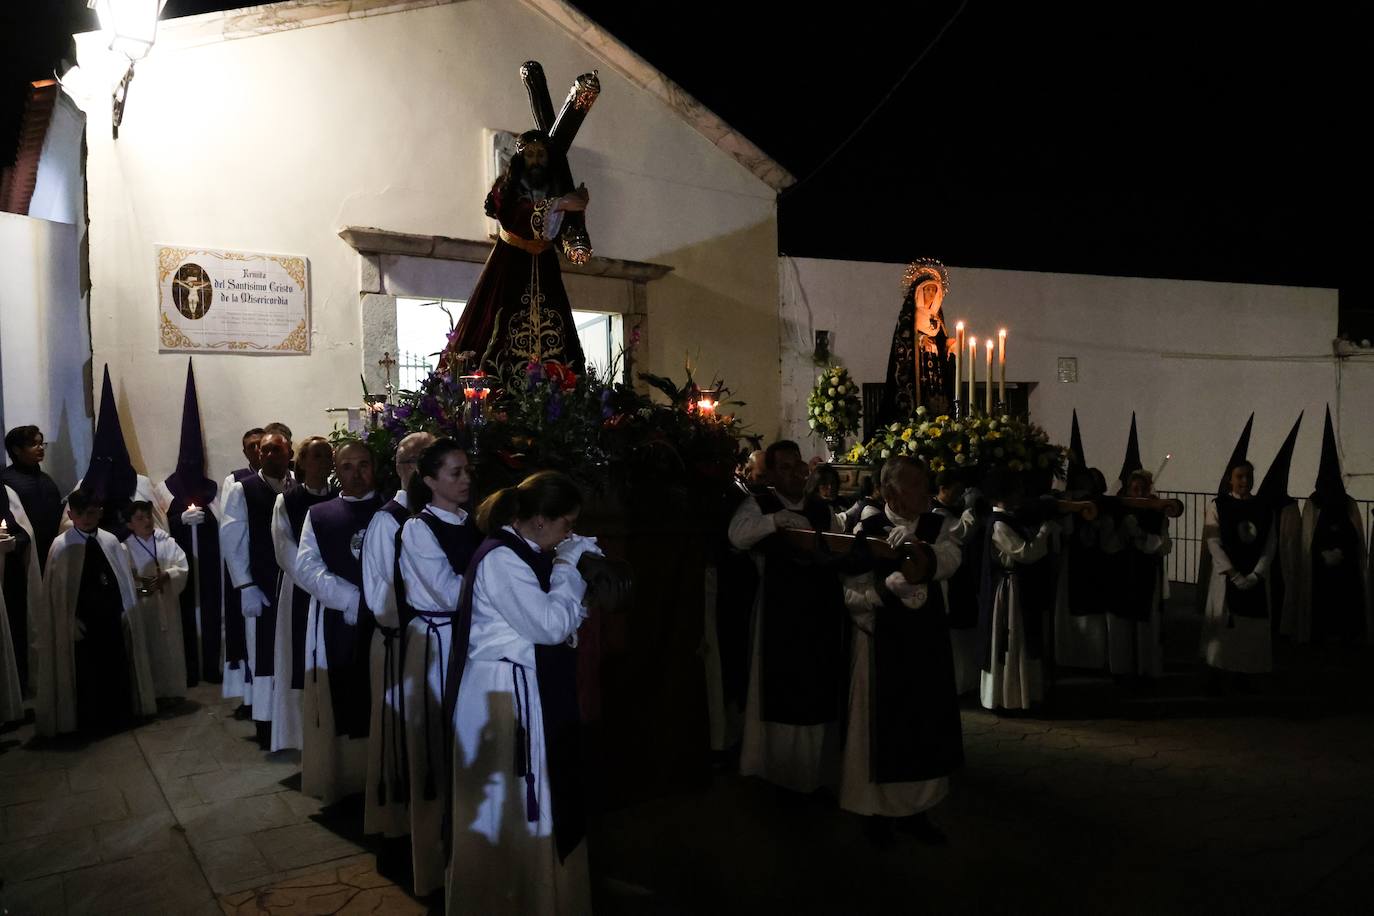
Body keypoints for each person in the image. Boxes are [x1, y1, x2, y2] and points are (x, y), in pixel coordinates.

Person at [445, 470, 597, 915]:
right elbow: (549, 626)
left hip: (522, 687)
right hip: (502, 695)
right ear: (540, 521)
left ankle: (537, 894)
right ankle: (505, 898)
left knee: (531, 801)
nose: (571, 533)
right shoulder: (502, 559)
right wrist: (569, 568)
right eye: (568, 524)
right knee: (509, 806)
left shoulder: (527, 550)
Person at [840, 456, 962, 845]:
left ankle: (918, 811)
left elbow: (951, 559)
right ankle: (874, 813)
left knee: (924, 724)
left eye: (927, 483)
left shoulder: (936, 524)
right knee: (878, 728)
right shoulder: (865, 529)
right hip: (880, 643)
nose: (926, 491)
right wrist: (880, 593)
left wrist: (918, 549)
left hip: (925, 644)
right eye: (916, 485)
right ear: (891, 491)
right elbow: (848, 592)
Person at [727, 440, 845, 794]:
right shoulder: (759, 503)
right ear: (774, 473)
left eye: (800, 466)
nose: (797, 473)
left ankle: (817, 772)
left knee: (817, 687)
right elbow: (738, 536)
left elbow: (840, 543)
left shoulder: (822, 509)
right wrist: (776, 520)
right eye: (787, 467)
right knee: (779, 686)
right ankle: (775, 769)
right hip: (778, 611)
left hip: (820, 609)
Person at [395, 437, 483, 896]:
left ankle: (470, 859)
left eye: (467, 470)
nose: (465, 478)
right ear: (429, 481)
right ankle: (434, 866)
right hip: (436, 644)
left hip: (467, 642)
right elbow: (450, 593)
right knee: (435, 750)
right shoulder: (418, 529)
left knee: (465, 748)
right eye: (455, 472)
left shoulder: (473, 523)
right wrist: (498, 578)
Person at [443, 128, 591, 377]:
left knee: (556, 330)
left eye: (541, 154)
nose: (535, 160)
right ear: (521, 158)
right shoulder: (505, 188)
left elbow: (566, 231)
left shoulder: (555, 188)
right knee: (495, 326)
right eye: (530, 154)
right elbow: (514, 216)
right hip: (509, 265)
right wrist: (563, 203)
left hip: (545, 265)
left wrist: (576, 231)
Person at [294, 441, 382, 803]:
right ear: (337, 470)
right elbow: (306, 567)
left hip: (385, 623)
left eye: (364, 465)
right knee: (343, 696)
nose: (356, 473)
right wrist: (351, 599)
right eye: (348, 467)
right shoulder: (320, 514)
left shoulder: (392, 511)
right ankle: (348, 780)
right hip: (339, 620)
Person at [359, 431, 433, 849]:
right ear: (406, 469)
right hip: (399, 644)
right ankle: (399, 825)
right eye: (422, 460)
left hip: (428, 643)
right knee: (399, 737)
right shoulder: (389, 520)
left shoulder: (444, 516)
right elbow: (380, 592)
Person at [37, 489, 155, 736]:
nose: (86, 518)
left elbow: (123, 582)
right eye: (80, 514)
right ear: (70, 514)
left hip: (111, 619)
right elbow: (58, 597)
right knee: (88, 675)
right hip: (83, 624)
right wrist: (68, 621)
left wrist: (127, 610)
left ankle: (120, 715)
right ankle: (91, 721)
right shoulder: (61, 547)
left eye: (91, 512)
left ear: (100, 512)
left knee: (116, 669)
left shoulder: (110, 541)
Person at [221, 431, 293, 738]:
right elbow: (232, 538)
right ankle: (266, 722)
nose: (268, 456)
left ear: (288, 452)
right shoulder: (244, 489)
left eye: (275, 450)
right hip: (261, 585)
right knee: (263, 653)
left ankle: (291, 717)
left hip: (291, 584)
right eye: (263, 451)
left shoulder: (297, 485)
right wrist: (245, 584)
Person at [269, 437, 337, 752]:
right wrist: (317, 584)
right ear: (303, 462)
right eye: (317, 456)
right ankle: (298, 736)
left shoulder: (340, 498)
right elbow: (285, 550)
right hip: (300, 590)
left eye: (328, 456)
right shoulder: (287, 502)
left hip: (334, 590)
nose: (324, 462)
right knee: (298, 657)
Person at [979, 469, 1058, 712]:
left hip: (1019, 585)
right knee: (1011, 639)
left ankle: (1024, 692)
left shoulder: (1011, 519)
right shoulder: (999, 525)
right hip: (1010, 588)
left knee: (1022, 638)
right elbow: (1025, 553)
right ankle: (1008, 696)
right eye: (1015, 491)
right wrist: (1045, 530)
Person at [1291, 409, 1367, 643]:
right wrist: (1323, 554)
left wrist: (1342, 553)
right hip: (1319, 567)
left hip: (1346, 567)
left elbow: (1355, 535)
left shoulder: (1349, 504)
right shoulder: (1313, 504)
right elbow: (1307, 538)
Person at [1200, 460, 1275, 691]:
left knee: (1250, 631)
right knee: (1226, 631)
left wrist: (1256, 575)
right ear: (1230, 479)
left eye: (1248, 476)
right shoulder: (1218, 505)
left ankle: (1247, 675)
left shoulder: (1263, 507)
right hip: (1226, 580)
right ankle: (1220, 675)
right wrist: (1233, 574)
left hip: (1255, 581)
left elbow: (1270, 543)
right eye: (1240, 476)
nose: (1245, 481)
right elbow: (1213, 542)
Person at [1108, 470, 1171, 680]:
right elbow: (1109, 545)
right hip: (1121, 572)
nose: (1139, 492)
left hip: (1146, 572)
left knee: (1146, 625)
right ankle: (1122, 669)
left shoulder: (1155, 512)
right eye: (1135, 489)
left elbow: (1165, 545)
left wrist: (1142, 536)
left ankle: (1146, 669)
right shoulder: (1119, 512)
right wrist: (1123, 534)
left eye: (1143, 489)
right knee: (1121, 623)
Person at [125, 501, 190, 702]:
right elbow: (126, 580)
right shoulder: (125, 548)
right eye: (139, 518)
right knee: (149, 649)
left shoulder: (166, 543)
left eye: (148, 516)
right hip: (145, 608)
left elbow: (182, 566)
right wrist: (144, 589)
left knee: (170, 648)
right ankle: (153, 694)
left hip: (167, 604)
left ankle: (174, 692)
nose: (146, 521)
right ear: (129, 524)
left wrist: (168, 575)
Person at [219, 427, 265, 697]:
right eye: (252, 447)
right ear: (245, 451)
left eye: (262, 444)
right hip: (247, 564)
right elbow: (231, 527)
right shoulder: (236, 481)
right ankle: (249, 694)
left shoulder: (288, 477)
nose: (258, 450)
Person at [931, 471, 982, 695]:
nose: (960, 495)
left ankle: (968, 679)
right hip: (950, 575)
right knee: (956, 627)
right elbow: (960, 533)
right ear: (944, 487)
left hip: (963, 574)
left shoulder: (951, 509)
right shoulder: (936, 511)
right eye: (957, 490)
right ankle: (959, 682)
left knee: (965, 625)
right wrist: (971, 510)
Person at [2, 425, 64, 572]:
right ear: (17, 450)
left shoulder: (46, 480)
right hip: (21, 555)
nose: (40, 447)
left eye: (41, 443)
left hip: (49, 549)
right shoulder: (5, 480)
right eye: (33, 444)